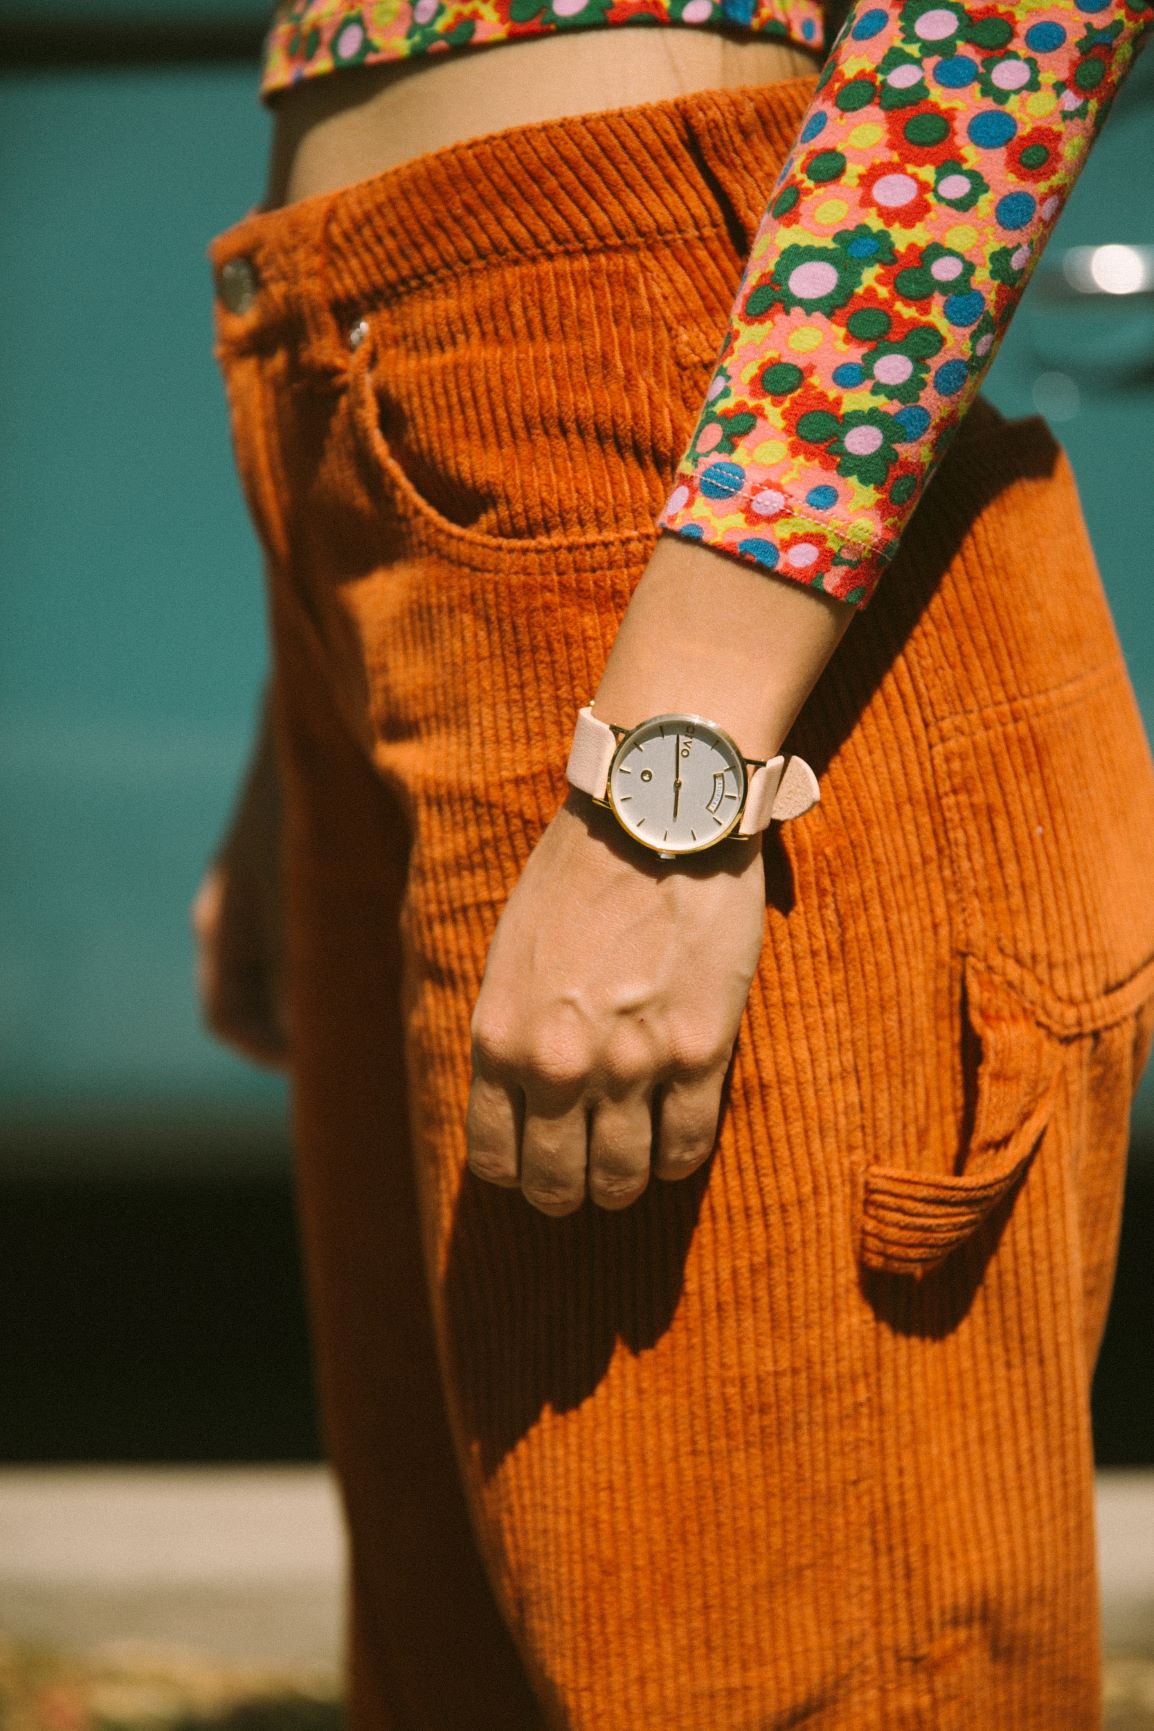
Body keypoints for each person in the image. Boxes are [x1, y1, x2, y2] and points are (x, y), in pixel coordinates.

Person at [194, 0, 1154, 1724]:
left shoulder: (682, 724)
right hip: (396, 436)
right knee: (474, 1667)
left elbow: (1001, 31)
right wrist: (312, 718)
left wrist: (674, 775)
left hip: (691, 499)